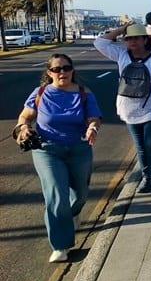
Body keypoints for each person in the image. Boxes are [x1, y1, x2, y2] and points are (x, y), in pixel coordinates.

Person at [13, 54, 102, 263]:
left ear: (72, 70)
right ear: (49, 72)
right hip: (47, 150)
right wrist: (24, 127)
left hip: (79, 148)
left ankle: (72, 214)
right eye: (56, 69)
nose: (61, 72)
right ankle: (61, 246)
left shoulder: (84, 94)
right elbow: (25, 116)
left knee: (79, 194)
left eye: (66, 68)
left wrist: (92, 128)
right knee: (56, 195)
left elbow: (94, 118)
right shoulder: (40, 93)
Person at [94, 23, 151, 197]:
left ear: (144, 39)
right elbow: (100, 43)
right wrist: (122, 29)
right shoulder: (121, 54)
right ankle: (146, 178)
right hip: (128, 108)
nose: (132, 41)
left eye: (136, 37)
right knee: (140, 147)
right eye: (128, 38)